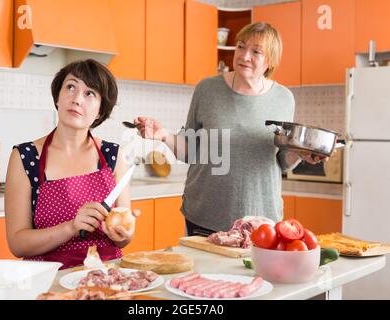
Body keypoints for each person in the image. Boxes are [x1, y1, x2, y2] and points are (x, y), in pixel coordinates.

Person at [134, 22, 328, 235]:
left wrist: (299, 153)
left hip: (261, 218)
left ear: (270, 60)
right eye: (241, 47)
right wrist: (164, 136)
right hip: (206, 214)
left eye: (256, 52)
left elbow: (282, 162)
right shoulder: (207, 89)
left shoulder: (284, 98)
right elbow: (192, 152)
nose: (245, 56)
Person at [5, 59, 139, 269]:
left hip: (107, 276)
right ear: (57, 97)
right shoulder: (25, 157)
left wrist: (124, 234)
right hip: (49, 279)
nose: (76, 99)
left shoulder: (114, 155)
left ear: (101, 111)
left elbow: (122, 239)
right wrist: (70, 227)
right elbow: (17, 244)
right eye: (70, 87)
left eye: (89, 93)